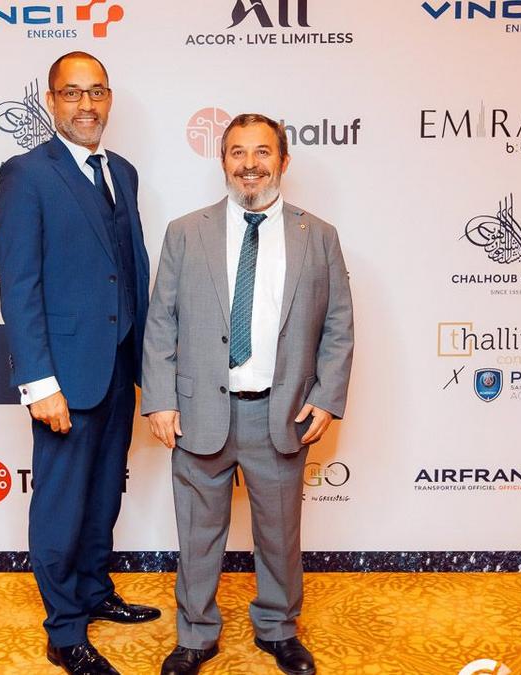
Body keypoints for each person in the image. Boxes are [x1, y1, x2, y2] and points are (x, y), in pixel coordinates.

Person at [141, 113, 354, 675]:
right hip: (200, 412)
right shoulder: (186, 232)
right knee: (198, 534)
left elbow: (338, 324)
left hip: (280, 414)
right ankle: (195, 635)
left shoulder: (319, 236)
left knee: (279, 535)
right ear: (223, 162)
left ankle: (279, 629)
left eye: (262, 152)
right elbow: (161, 322)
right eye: (237, 152)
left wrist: (327, 396)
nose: (250, 164)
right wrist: (160, 399)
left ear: (283, 161)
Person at [0, 51, 159, 675]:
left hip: (117, 365)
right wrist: (40, 382)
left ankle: (93, 592)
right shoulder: (27, 174)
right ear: (51, 101)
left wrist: (147, 365)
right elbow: (19, 286)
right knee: (61, 503)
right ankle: (64, 631)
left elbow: (128, 268)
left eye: (96, 92)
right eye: (71, 93)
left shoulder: (123, 172)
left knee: (103, 492)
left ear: (109, 99)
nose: (86, 104)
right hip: (64, 374)